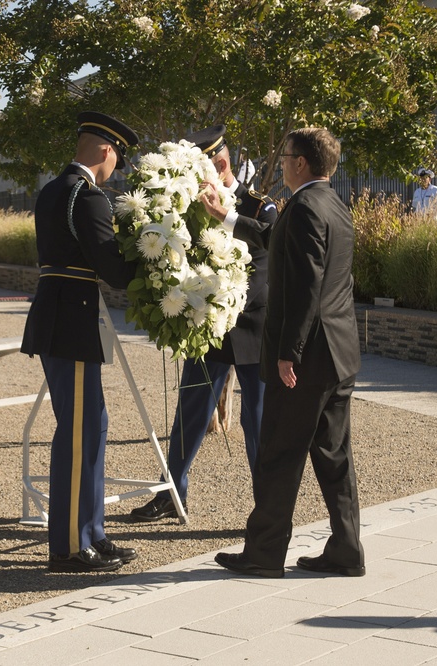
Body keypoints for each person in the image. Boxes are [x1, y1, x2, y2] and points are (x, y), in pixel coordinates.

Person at [215, 127, 364, 579]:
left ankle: (263, 553)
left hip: (308, 359)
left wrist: (288, 353)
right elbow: (273, 240)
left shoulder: (302, 209)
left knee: (279, 452)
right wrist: (225, 217)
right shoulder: (332, 205)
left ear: (301, 163)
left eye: (285, 157)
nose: (281, 163)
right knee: (334, 456)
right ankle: (346, 549)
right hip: (339, 354)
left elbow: (304, 289)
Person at [130, 124, 277, 523]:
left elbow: (268, 263)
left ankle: (268, 506)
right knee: (190, 411)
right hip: (207, 322)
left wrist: (229, 304)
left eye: (210, 165)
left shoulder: (258, 205)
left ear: (223, 162)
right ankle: (171, 494)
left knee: (257, 420)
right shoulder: (190, 207)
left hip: (250, 327)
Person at [20, 111, 139, 573]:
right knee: (77, 433)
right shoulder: (88, 197)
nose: (115, 170)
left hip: (63, 317)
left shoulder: (52, 189)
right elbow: (112, 269)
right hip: (71, 320)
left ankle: (93, 531)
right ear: (106, 151)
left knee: (93, 425)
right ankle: (70, 546)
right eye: (117, 159)